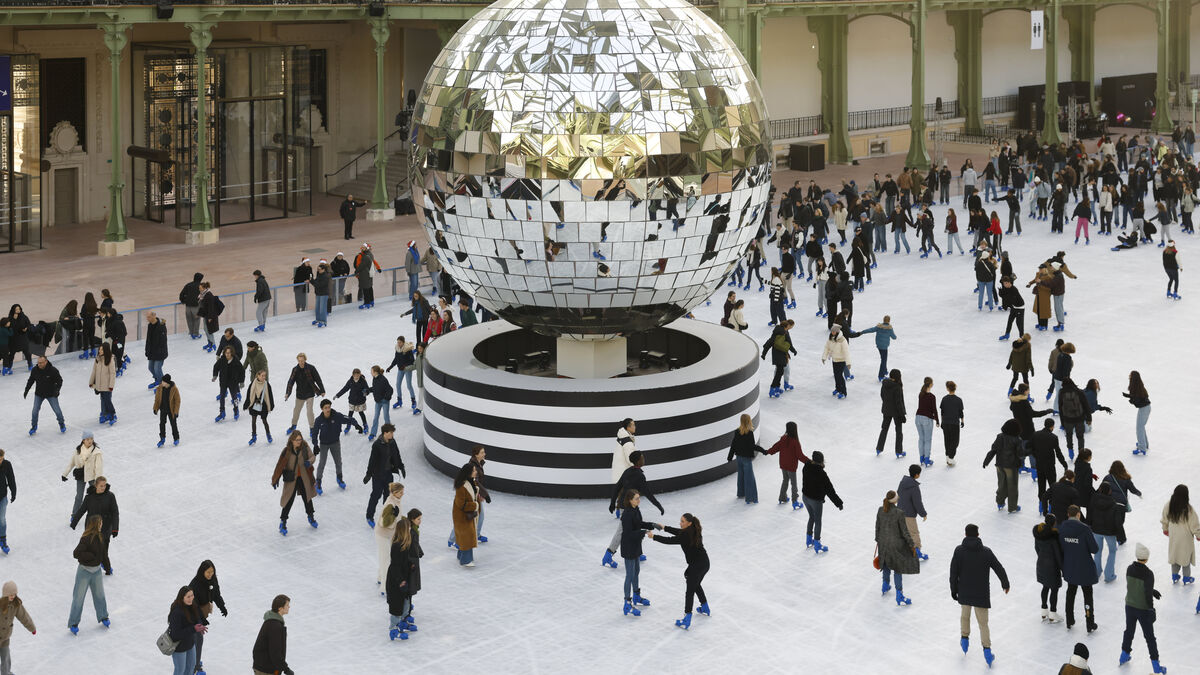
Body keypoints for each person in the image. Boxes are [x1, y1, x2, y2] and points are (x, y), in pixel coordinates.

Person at [949, 523, 1009, 666]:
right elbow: (998, 567)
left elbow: (953, 572)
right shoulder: (986, 552)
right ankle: (987, 651)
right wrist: (1005, 583)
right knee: (983, 623)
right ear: (978, 535)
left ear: (965, 534)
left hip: (964, 591)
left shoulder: (959, 551)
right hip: (981, 593)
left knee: (965, 616)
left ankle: (964, 640)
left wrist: (953, 589)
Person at [648, 512, 709, 629]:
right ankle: (705, 607)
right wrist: (664, 527)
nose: (680, 523)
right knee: (695, 584)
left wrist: (654, 537)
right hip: (705, 563)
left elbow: (670, 540)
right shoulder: (693, 529)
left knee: (690, 590)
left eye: (682, 521)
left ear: (689, 523)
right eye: (680, 521)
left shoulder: (686, 535)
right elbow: (679, 531)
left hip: (696, 565)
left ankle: (687, 618)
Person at [1120, 544, 1166, 673]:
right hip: (1143, 608)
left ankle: (1123, 656)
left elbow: (1135, 585)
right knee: (1150, 637)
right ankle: (1156, 666)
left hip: (1129, 605)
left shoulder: (1129, 569)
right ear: (1146, 558)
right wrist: (1151, 609)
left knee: (1129, 631)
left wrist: (1152, 590)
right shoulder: (1148, 574)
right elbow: (1146, 594)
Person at [618, 489, 661, 615]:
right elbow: (629, 533)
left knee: (636, 571)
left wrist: (652, 524)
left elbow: (639, 523)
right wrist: (644, 532)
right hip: (628, 546)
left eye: (639, 498)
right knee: (629, 575)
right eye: (636, 498)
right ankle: (627, 603)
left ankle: (636, 596)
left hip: (636, 545)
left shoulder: (636, 509)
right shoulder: (627, 515)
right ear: (630, 500)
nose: (639, 500)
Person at [1059, 505, 1099, 632]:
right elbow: (1094, 549)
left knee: (1070, 593)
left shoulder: (1062, 528)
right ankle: (1089, 622)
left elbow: (1061, 547)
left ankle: (1069, 619)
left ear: (1068, 514)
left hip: (1070, 566)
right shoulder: (1085, 529)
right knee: (1088, 596)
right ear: (1078, 515)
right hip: (1084, 568)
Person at [310, 398, 362, 494]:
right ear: (322, 409)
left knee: (338, 462)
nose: (328, 409)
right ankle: (318, 482)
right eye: (325, 408)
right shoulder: (319, 420)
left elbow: (348, 419)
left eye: (329, 407)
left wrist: (356, 425)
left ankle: (339, 478)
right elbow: (314, 433)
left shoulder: (337, 416)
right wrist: (315, 445)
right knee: (322, 463)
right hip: (324, 444)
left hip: (335, 443)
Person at [876, 490, 918, 605]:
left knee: (885, 565)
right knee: (897, 569)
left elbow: (877, 527)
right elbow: (905, 532)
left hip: (883, 543)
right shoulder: (899, 513)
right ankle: (899, 595)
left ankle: (885, 585)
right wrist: (911, 544)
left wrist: (878, 540)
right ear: (894, 500)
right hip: (896, 546)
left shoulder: (880, 510)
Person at [68, 515, 109, 634]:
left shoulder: (101, 537)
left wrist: (107, 567)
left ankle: (103, 616)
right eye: (100, 523)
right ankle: (73, 623)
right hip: (84, 572)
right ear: (96, 525)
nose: (101, 525)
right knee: (78, 598)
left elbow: (104, 554)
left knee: (100, 596)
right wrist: (90, 556)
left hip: (96, 572)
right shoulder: (86, 538)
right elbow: (76, 553)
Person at [271, 431, 317, 535]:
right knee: (289, 500)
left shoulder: (305, 448)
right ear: (292, 440)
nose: (299, 442)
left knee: (307, 498)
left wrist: (309, 462)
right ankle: (283, 521)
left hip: (304, 478)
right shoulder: (287, 451)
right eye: (297, 440)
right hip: (291, 479)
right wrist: (275, 479)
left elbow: (312, 457)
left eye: (300, 439)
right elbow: (280, 465)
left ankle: (311, 517)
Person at [69, 475, 118, 575]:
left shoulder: (110, 496)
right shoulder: (89, 498)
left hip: (105, 527)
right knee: (92, 548)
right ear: (96, 485)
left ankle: (106, 567)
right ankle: (92, 565)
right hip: (91, 528)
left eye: (104, 485)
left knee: (104, 549)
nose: (103, 488)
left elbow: (115, 512)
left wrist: (115, 528)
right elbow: (81, 510)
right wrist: (74, 522)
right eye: (101, 486)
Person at [188, 560, 227, 674]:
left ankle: (194, 659)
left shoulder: (213, 580)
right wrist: (202, 618)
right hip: (192, 612)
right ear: (202, 571)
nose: (210, 574)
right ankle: (195, 666)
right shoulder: (195, 584)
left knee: (196, 638)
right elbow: (193, 604)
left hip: (202, 611)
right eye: (208, 572)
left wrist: (222, 607)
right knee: (198, 638)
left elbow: (216, 595)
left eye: (212, 572)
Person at [801, 450, 843, 552]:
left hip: (805, 497)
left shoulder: (806, 467)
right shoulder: (821, 474)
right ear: (821, 461)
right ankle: (817, 544)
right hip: (815, 500)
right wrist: (838, 503)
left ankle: (809, 540)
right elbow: (830, 490)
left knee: (811, 517)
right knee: (818, 521)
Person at [364, 424, 405, 528]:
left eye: (392, 433)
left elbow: (397, 454)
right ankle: (369, 516)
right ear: (385, 433)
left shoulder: (392, 442)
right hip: (378, 475)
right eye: (390, 433)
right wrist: (368, 474)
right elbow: (372, 461)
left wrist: (401, 466)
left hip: (388, 474)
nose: (392, 435)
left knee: (388, 496)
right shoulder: (377, 445)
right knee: (376, 495)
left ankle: (386, 516)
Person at [386, 517, 419, 640]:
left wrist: (410, 565)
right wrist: (401, 581)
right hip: (396, 581)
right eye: (409, 528)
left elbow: (404, 561)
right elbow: (395, 566)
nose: (410, 529)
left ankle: (403, 622)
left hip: (404, 578)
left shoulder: (405, 544)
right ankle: (393, 629)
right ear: (404, 530)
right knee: (396, 606)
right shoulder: (396, 546)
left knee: (406, 602)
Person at [983, 419, 1025, 514]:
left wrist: (986, 461)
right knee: (1012, 486)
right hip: (1011, 466)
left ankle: (1000, 502)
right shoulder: (1017, 440)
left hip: (999, 465)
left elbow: (993, 450)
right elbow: (1021, 454)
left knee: (1001, 484)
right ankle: (1012, 507)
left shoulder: (1000, 436)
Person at [1160, 485, 1200, 584]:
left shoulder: (1169, 505)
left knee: (1175, 555)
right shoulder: (1189, 510)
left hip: (1174, 536)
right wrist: (1198, 535)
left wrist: (1165, 529)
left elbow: (1164, 518)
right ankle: (1186, 577)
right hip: (1186, 538)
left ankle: (1174, 575)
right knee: (1185, 557)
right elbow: (1194, 525)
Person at [765, 421, 809, 509]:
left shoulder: (783, 439)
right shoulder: (795, 442)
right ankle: (795, 501)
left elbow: (775, 447)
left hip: (783, 465)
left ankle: (782, 497)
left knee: (785, 480)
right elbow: (800, 455)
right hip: (791, 466)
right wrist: (809, 462)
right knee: (793, 484)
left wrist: (768, 451)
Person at [1031, 419, 1070, 515]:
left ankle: (1041, 505)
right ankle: (1051, 506)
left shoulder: (1036, 434)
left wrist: (1036, 456)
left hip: (1039, 465)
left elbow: (1031, 448)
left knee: (1041, 485)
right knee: (1052, 486)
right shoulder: (1053, 437)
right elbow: (1058, 452)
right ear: (1052, 426)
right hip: (1050, 466)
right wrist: (1064, 463)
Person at [727, 414, 765, 504]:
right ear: (749, 421)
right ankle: (751, 498)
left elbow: (733, 445)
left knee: (741, 476)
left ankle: (741, 493)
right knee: (749, 478)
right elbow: (752, 446)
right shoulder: (749, 433)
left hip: (739, 458)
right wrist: (763, 450)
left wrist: (730, 457)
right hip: (746, 459)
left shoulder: (737, 431)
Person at [1034, 513, 1064, 623]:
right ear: (1054, 523)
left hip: (1041, 564)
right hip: (1052, 567)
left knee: (1045, 587)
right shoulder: (1053, 538)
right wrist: (1063, 569)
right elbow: (1058, 555)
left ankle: (1044, 610)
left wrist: (1042, 558)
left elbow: (1037, 549)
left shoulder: (1039, 535)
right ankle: (1053, 613)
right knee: (1054, 590)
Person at [0, 580, 35, 675]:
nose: (13, 596)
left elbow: (24, 617)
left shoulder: (16, 605)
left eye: (14, 594)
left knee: (6, 658)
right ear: (5, 594)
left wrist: (32, 628)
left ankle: (6, 673)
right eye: (10, 594)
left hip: (5, 638)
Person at [23, 355, 64, 436]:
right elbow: (31, 380)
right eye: (38, 363)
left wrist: (57, 390)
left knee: (57, 411)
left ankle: (61, 423)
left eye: (41, 363)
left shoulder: (53, 370)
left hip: (51, 394)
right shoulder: (35, 370)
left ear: (46, 362)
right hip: (39, 394)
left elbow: (60, 381)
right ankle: (34, 427)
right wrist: (26, 390)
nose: (39, 364)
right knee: (34, 411)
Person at [166, 586, 203, 675]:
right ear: (182, 598)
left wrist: (199, 625)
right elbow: (175, 635)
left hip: (190, 643)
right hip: (179, 647)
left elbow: (197, 617)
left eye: (192, 595)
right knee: (180, 671)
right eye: (188, 597)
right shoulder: (177, 612)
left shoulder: (192, 605)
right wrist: (193, 629)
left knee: (191, 668)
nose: (191, 598)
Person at [284, 353, 324, 434]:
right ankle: (293, 426)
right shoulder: (295, 369)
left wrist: (322, 390)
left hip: (310, 393)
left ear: (305, 360)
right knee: (296, 411)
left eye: (302, 361)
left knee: (309, 412)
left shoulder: (311, 368)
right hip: (300, 394)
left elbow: (318, 379)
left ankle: (312, 428)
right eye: (299, 361)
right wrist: (288, 393)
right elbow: (291, 381)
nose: (301, 362)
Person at [251, 594, 292, 675]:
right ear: (280, 608)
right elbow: (275, 652)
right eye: (287, 605)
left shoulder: (272, 621)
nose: (289, 607)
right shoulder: (275, 626)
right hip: (266, 669)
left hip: (264, 667)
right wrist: (286, 669)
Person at [897, 464, 929, 560]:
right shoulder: (914, 487)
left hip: (899, 512)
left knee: (903, 532)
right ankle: (917, 552)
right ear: (917, 475)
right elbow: (917, 503)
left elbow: (898, 493)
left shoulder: (902, 482)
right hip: (909, 514)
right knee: (914, 533)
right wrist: (923, 514)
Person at [375, 483, 405, 587]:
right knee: (386, 561)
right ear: (395, 493)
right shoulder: (390, 504)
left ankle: (380, 578)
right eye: (401, 492)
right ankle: (385, 587)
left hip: (390, 535)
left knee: (385, 558)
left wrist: (405, 520)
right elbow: (383, 523)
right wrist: (394, 516)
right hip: (382, 535)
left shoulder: (396, 501)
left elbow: (398, 517)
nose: (403, 494)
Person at [451, 463, 480, 567]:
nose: (476, 472)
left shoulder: (471, 482)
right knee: (467, 537)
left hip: (468, 515)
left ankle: (461, 556)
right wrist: (475, 505)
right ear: (468, 473)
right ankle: (465, 560)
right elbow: (461, 504)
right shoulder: (462, 486)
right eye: (474, 470)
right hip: (462, 516)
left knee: (465, 536)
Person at [876, 369, 906, 457]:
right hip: (896, 412)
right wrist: (902, 415)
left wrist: (887, 404)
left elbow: (882, 395)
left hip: (886, 410)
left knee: (884, 429)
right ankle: (899, 451)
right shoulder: (897, 387)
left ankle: (879, 448)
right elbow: (899, 403)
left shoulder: (885, 384)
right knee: (899, 431)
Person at [212, 346, 244, 424]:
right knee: (222, 397)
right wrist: (215, 375)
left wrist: (241, 381)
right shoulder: (222, 360)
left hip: (233, 382)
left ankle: (236, 409)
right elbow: (216, 367)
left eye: (229, 353)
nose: (227, 354)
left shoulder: (235, 361)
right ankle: (222, 412)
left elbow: (242, 371)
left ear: (232, 353)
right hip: (223, 382)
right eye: (226, 353)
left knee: (234, 397)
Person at [859, 316, 897, 382]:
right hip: (884, 347)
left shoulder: (879, 327)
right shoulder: (889, 329)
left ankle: (885, 371)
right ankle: (881, 376)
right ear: (889, 321)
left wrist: (862, 332)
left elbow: (870, 330)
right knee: (883, 360)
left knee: (883, 359)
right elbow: (894, 337)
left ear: (883, 320)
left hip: (879, 345)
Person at [244, 370, 275, 446]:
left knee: (264, 421)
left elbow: (270, 396)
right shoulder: (253, 383)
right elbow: (249, 394)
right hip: (254, 404)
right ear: (258, 376)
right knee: (253, 420)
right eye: (262, 376)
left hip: (263, 405)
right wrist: (246, 404)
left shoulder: (267, 385)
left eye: (265, 376)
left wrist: (271, 405)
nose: (264, 377)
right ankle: (254, 436)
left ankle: (268, 435)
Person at [1124, 370, 1152, 455]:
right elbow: (1138, 397)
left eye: (1130, 375)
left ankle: (1142, 447)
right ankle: (1144, 444)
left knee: (1139, 428)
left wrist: (1131, 400)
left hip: (1143, 409)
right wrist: (1129, 396)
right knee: (1141, 427)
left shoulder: (1135, 388)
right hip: (1147, 407)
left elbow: (1136, 401)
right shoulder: (1139, 385)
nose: (1129, 376)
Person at [89, 343, 117, 426]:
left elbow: (112, 373)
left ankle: (113, 414)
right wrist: (91, 382)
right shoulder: (97, 359)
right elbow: (94, 371)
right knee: (103, 399)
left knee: (107, 400)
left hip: (107, 385)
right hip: (99, 385)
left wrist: (111, 386)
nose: (100, 351)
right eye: (99, 349)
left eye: (102, 349)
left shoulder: (110, 359)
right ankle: (104, 414)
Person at [913, 377, 938, 467]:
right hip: (926, 419)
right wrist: (937, 420)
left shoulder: (921, 394)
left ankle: (921, 458)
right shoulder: (932, 396)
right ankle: (927, 459)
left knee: (921, 438)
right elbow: (934, 410)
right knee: (927, 440)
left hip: (918, 418)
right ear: (930, 384)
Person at [152, 374, 182, 448]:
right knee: (162, 424)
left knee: (173, 424)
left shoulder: (174, 389)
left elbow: (177, 401)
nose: (162, 382)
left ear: (167, 382)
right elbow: (157, 400)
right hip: (163, 409)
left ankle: (176, 438)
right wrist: (155, 408)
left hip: (171, 410)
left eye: (163, 381)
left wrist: (176, 412)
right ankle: (162, 438)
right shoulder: (160, 388)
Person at [939, 381, 964, 466]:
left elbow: (942, 412)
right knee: (955, 441)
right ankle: (951, 457)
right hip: (954, 423)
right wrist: (962, 421)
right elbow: (960, 412)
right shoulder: (958, 400)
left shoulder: (944, 399)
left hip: (946, 423)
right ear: (955, 388)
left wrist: (942, 422)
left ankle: (948, 456)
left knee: (947, 440)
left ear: (947, 389)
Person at [367, 365, 394, 440]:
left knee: (386, 417)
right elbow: (375, 388)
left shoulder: (383, 379)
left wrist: (386, 398)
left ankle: (389, 434)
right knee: (375, 417)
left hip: (384, 402)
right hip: (378, 401)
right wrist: (368, 390)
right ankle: (373, 433)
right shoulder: (374, 378)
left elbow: (390, 389)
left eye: (371, 371)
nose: (371, 373)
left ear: (375, 372)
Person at [196, 282, 222, 352]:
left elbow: (211, 307)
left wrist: (210, 317)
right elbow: (203, 306)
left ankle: (213, 344)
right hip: (206, 315)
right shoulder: (202, 295)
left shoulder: (209, 295)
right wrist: (198, 314)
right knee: (206, 329)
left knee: (209, 330)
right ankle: (209, 343)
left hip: (210, 316)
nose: (199, 289)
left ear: (204, 288)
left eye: (200, 288)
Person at [144, 311, 168, 388]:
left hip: (160, 352)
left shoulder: (161, 326)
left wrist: (159, 351)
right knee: (151, 368)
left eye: (149, 317)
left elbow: (163, 341)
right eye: (147, 317)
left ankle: (163, 384)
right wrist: (147, 350)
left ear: (154, 316)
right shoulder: (150, 325)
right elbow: (148, 339)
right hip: (152, 351)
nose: (147, 319)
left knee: (157, 369)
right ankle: (157, 380)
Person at [179, 273, 204, 339]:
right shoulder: (201, 286)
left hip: (188, 306)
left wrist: (184, 301)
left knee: (189, 320)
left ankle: (191, 332)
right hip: (196, 307)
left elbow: (181, 294)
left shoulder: (188, 285)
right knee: (197, 320)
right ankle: (196, 334)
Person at [355, 244, 381, 309]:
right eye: (362, 247)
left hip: (365, 274)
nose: (362, 249)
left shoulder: (366, 256)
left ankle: (367, 303)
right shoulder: (370, 254)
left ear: (367, 248)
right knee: (369, 287)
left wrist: (356, 271)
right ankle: (371, 301)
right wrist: (378, 267)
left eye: (364, 248)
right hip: (369, 274)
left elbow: (361, 265)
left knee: (365, 289)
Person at [310, 260, 332, 327]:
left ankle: (323, 321)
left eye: (319, 269)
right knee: (317, 308)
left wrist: (314, 282)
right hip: (318, 293)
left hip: (324, 294)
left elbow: (320, 285)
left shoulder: (326, 276)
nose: (318, 270)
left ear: (323, 270)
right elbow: (316, 283)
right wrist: (311, 280)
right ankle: (318, 319)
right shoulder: (319, 275)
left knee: (322, 308)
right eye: (317, 269)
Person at [0, 451, 12, 555]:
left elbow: (11, 478)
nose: (1, 460)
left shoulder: (6, 464)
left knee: (2, 520)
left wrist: (14, 492)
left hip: (2, 497)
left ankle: (3, 541)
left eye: (2, 458)